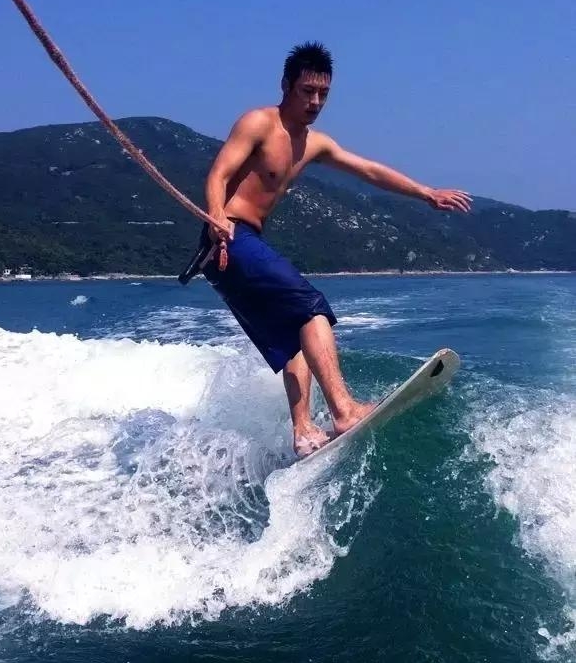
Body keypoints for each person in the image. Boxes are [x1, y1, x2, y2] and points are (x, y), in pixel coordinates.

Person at [199, 41, 471, 457]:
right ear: (286, 86)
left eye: (323, 94)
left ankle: (303, 432)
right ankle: (344, 410)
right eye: (307, 91)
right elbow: (218, 174)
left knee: (296, 336)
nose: (315, 102)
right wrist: (216, 215)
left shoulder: (314, 144)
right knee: (312, 309)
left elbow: (368, 170)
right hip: (229, 238)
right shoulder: (258, 123)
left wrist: (426, 193)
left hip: (240, 247)